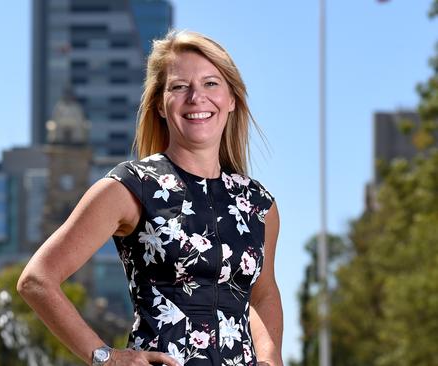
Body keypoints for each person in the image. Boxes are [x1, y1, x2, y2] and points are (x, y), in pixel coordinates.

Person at [18, 30, 283, 366]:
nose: (196, 97)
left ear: (232, 99)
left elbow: (263, 293)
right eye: (179, 86)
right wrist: (105, 357)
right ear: (160, 103)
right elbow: (37, 280)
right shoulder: (130, 187)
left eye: (211, 84)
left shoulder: (259, 205)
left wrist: (271, 356)